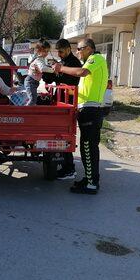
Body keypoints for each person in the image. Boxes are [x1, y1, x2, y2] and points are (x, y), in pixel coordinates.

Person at [53, 38, 109, 195]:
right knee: (86, 149)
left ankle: (91, 184)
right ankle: (90, 178)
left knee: (89, 148)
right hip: (87, 109)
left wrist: (61, 68)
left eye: (80, 49)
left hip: (91, 110)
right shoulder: (91, 61)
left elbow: (81, 72)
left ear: (89, 48)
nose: (77, 52)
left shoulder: (95, 58)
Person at [52, 39, 82, 181]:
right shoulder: (63, 61)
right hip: (61, 102)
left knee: (64, 137)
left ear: (68, 49)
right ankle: (66, 167)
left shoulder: (74, 63)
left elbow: (73, 82)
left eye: (61, 51)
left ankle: (69, 169)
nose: (59, 54)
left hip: (68, 104)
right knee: (59, 136)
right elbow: (56, 78)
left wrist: (60, 75)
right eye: (58, 51)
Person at [26, 41, 52, 105]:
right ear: (38, 51)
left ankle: (27, 111)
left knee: (33, 99)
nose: (46, 53)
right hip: (31, 81)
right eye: (44, 51)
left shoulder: (42, 59)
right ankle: (24, 112)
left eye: (47, 51)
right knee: (32, 99)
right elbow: (43, 69)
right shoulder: (38, 60)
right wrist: (53, 70)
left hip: (33, 82)